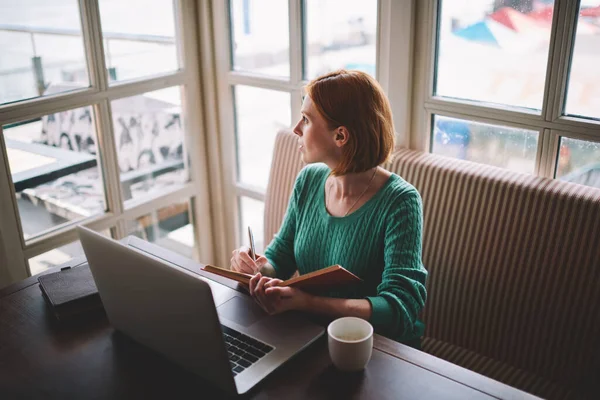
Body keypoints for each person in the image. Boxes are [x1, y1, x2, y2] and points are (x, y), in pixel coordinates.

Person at [230, 69, 427, 348]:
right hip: (314, 336)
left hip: (375, 348)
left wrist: (308, 303)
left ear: (341, 136)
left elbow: (400, 309)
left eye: (307, 120)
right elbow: (280, 258)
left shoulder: (400, 202)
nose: (296, 128)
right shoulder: (309, 180)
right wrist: (255, 267)